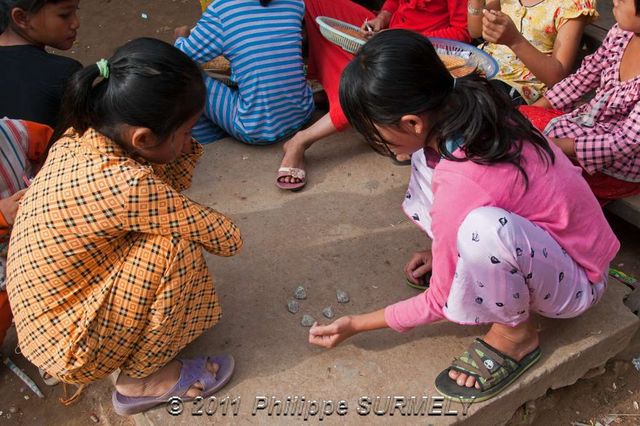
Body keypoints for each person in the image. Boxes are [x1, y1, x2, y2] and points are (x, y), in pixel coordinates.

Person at [308, 30, 619, 402]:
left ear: (412, 122)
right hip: (559, 249)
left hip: (579, 282)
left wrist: (357, 324)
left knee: (481, 230)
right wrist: (445, 250)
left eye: (380, 134)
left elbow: (439, 301)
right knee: (433, 174)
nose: (379, 143)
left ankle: (515, 336)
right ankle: (464, 253)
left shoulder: (462, 180)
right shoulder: (472, 109)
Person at [6, 38, 243, 415]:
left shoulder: (78, 135)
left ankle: (127, 348)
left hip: (43, 322)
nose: (190, 140)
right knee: (173, 246)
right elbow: (227, 237)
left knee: (163, 228)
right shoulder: (127, 185)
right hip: (69, 347)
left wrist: (177, 145)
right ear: (143, 138)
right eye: (186, 131)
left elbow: (165, 183)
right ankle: (140, 382)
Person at [276, 0, 470, 190]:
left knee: (366, 90)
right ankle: (335, 92)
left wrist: (402, 36)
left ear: (413, 124)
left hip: (418, 49)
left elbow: (464, 31)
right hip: (391, 35)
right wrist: (382, 17)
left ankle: (302, 139)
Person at [520, 0, 640, 204]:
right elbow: (582, 78)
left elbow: (624, 144)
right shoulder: (622, 33)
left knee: (534, 165)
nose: (615, 0)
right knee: (518, 121)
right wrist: (528, 112)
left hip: (619, 165)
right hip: (588, 128)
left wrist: (550, 144)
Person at [174, 0, 314, 146]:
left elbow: (180, 58)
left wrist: (181, 36)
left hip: (257, 129)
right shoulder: (296, 3)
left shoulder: (222, 9)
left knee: (187, 76)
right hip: (302, 113)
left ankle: (210, 142)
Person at [467, 0, 597, 105]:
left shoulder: (572, 4)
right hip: (479, 65)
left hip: (519, 85)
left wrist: (514, 40)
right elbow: (476, 31)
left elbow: (557, 77)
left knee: (474, 100)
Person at [0, 117, 51, 349]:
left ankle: (50, 340)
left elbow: (54, 144)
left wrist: (44, 179)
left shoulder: (12, 132)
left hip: (39, 229)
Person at [0, 0, 82, 128]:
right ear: (22, 18)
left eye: (76, 10)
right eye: (65, 15)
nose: (76, 24)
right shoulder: (63, 72)